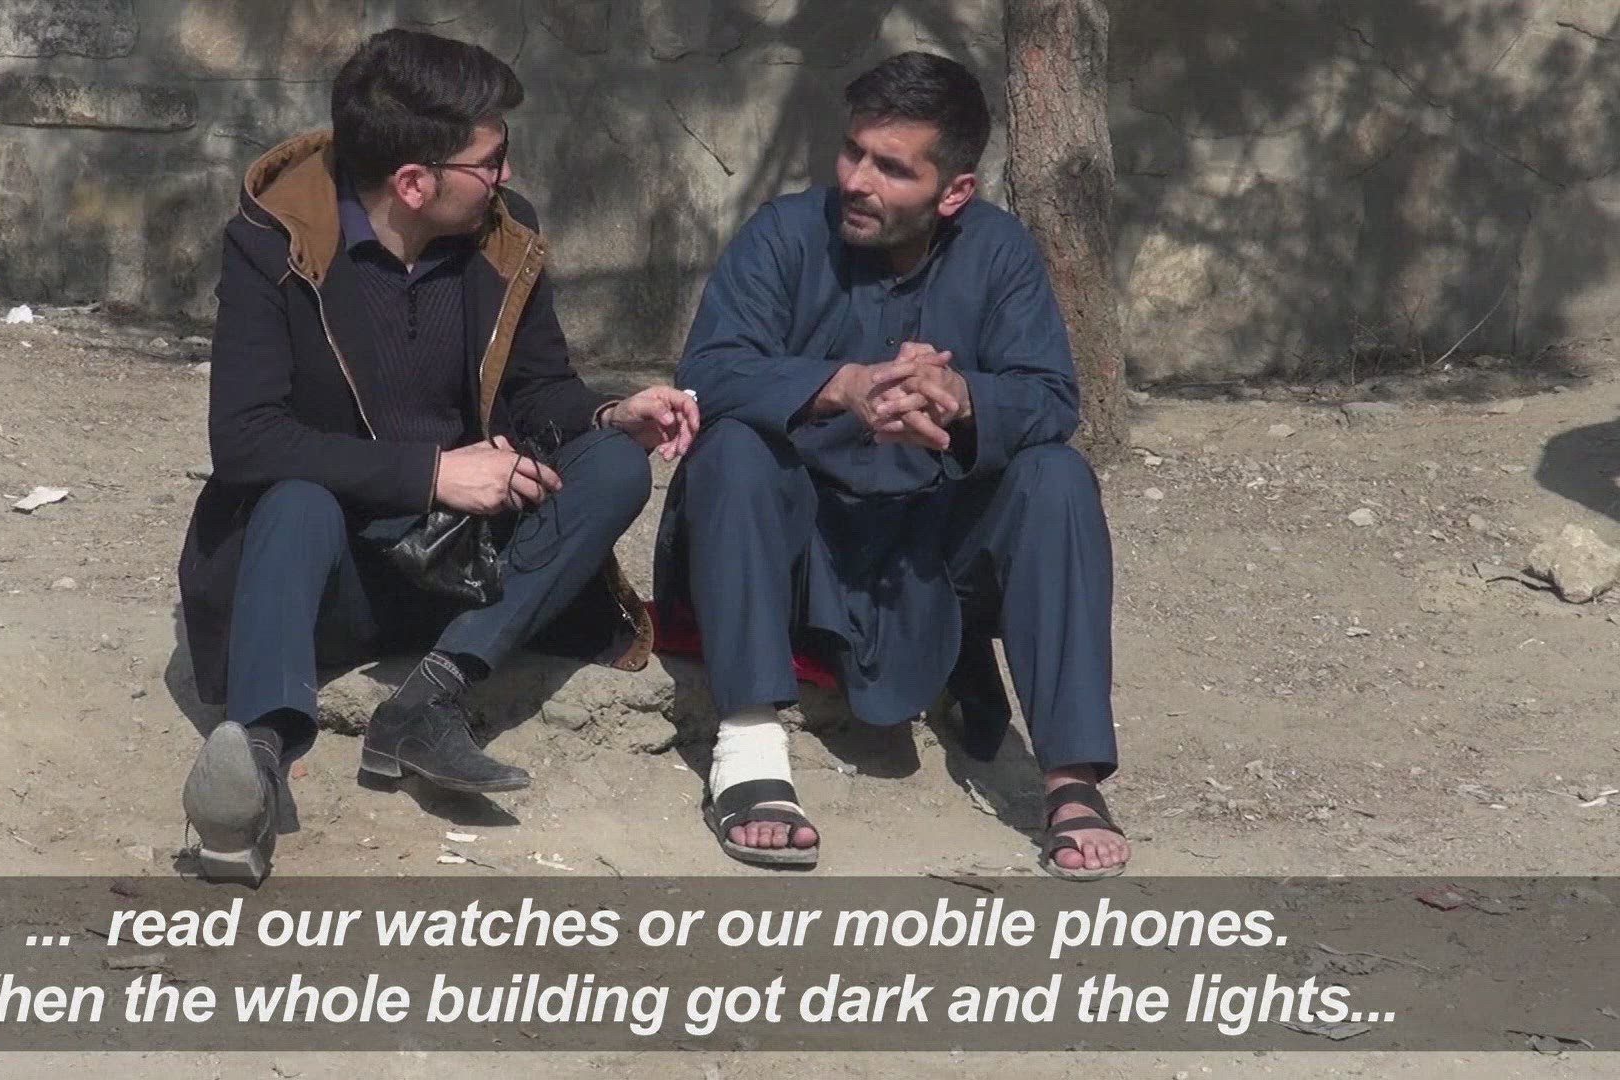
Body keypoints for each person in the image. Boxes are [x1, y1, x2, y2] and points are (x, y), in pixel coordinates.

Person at [177, 28, 698, 884]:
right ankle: (256, 764)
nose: (505, 175)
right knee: (295, 498)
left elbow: (539, 390)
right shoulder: (272, 244)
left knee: (614, 464)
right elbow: (246, 440)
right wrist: (434, 473)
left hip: (467, 564)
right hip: (331, 574)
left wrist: (613, 411)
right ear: (414, 183)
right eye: (490, 161)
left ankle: (430, 698)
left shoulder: (504, 235)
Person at [652, 51, 1128, 879]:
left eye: (892, 168)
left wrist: (961, 397)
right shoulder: (785, 234)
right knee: (730, 446)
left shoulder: (998, 251)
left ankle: (1070, 780)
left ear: (955, 192)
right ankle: (750, 752)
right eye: (853, 152)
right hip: (797, 549)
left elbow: (1052, 397)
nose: (857, 181)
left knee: (1056, 477)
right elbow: (709, 372)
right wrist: (842, 386)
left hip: (928, 547)